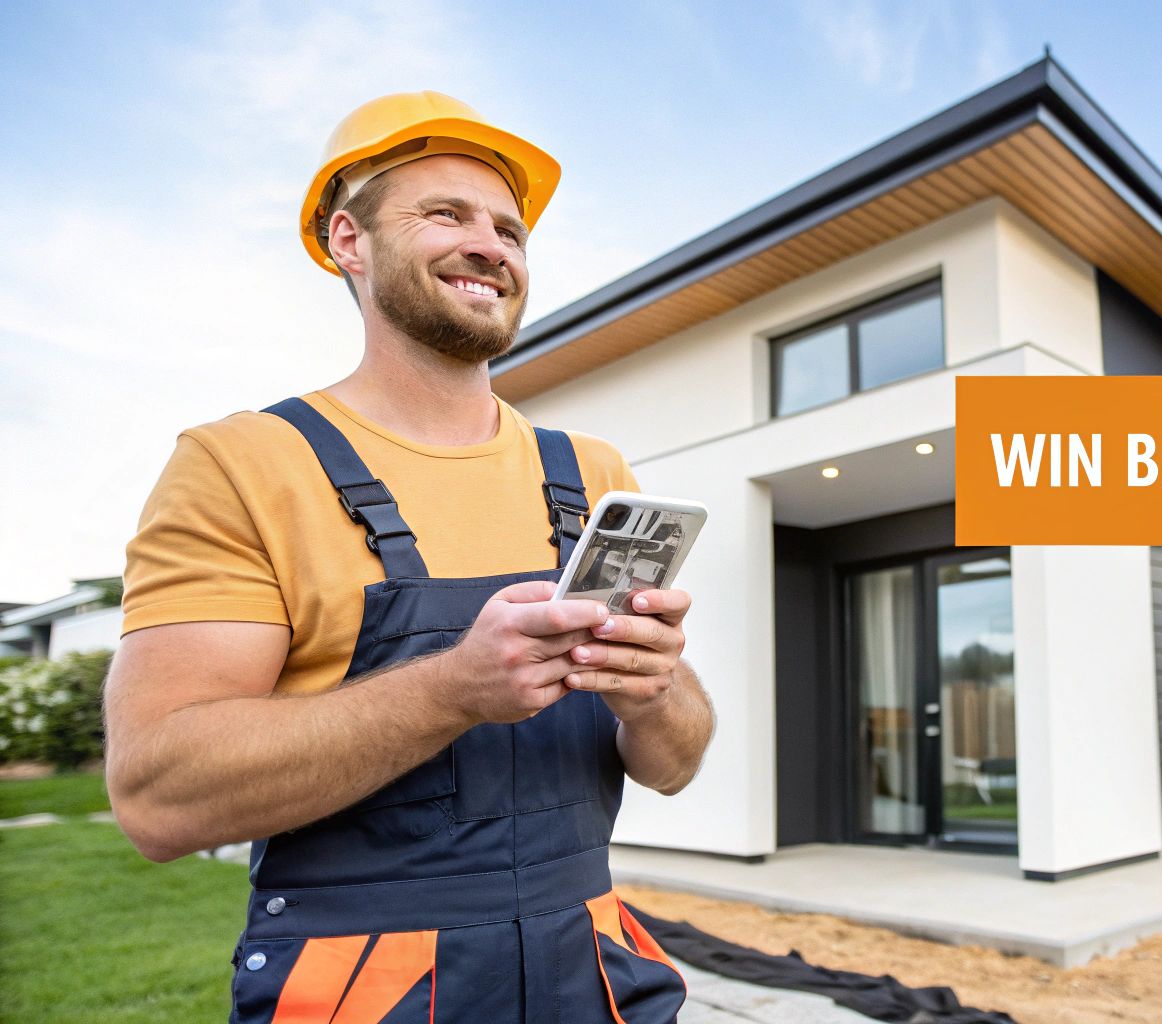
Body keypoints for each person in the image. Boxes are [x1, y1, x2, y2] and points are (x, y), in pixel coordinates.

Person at [103, 92, 711, 1023]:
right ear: (349, 240)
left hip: (591, 975)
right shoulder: (243, 464)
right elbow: (157, 797)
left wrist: (653, 688)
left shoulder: (592, 476)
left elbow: (674, 765)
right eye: (445, 214)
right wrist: (453, 688)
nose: (491, 246)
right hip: (365, 990)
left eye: (509, 229)